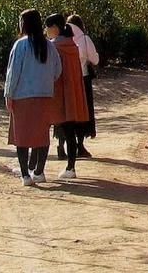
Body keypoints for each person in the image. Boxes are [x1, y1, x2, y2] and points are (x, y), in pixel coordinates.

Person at [5, 9, 62, 186]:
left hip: (23, 96)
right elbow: (57, 71)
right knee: (41, 135)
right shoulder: (49, 46)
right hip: (44, 96)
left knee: (21, 136)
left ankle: (25, 175)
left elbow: (13, 73)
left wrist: (8, 94)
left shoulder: (20, 45)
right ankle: (39, 171)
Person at [45, 13, 90, 179]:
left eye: (48, 28)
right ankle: (71, 167)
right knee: (70, 131)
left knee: (51, 130)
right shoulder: (72, 45)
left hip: (58, 94)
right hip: (73, 92)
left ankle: (37, 169)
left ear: (55, 28)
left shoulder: (54, 47)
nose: (46, 31)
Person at [67, 14, 99, 157]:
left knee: (66, 112)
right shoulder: (84, 39)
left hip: (66, 80)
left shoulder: (61, 38)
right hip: (82, 79)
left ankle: (62, 145)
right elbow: (95, 60)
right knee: (82, 112)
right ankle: (80, 145)